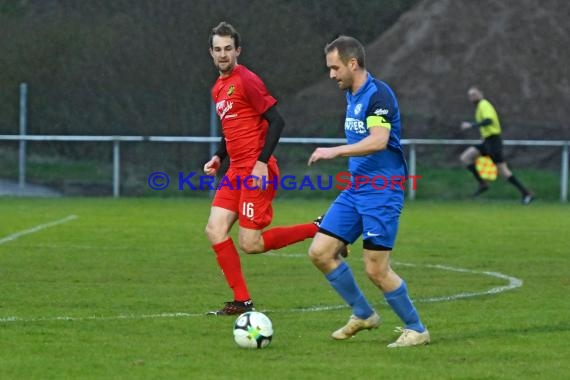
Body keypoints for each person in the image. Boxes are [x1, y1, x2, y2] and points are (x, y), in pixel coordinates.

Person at [203, 22, 344, 316]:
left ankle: (321, 228)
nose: (223, 54)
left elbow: (277, 121)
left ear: (237, 51)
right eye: (218, 49)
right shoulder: (218, 88)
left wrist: (261, 163)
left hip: (256, 171)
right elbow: (231, 130)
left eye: (228, 49)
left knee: (250, 244)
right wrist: (218, 156)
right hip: (235, 172)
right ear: (211, 53)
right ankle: (242, 301)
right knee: (214, 230)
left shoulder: (247, 80)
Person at [307, 35, 430, 348]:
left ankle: (416, 329)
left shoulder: (378, 94)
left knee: (376, 269)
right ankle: (363, 313)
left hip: (382, 192)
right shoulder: (352, 95)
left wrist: (335, 152)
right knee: (320, 252)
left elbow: (378, 140)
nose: (331, 74)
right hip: (356, 190)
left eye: (335, 68)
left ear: (352, 63)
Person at [459, 86, 534, 204]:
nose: (472, 97)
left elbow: (489, 120)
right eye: (470, 95)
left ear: (481, 94)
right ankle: (483, 184)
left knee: (503, 171)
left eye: (474, 94)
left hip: (493, 141)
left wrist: (472, 125)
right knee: (465, 158)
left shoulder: (484, 104)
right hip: (486, 141)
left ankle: (526, 193)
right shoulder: (479, 107)